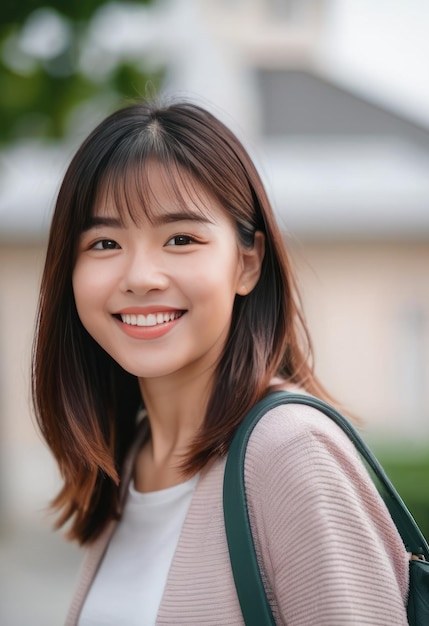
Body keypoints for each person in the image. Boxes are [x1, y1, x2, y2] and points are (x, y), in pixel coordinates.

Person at [32, 100, 409, 625]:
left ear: (247, 264)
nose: (141, 277)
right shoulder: (128, 459)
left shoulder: (290, 452)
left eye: (181, 239)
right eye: (105, 242)